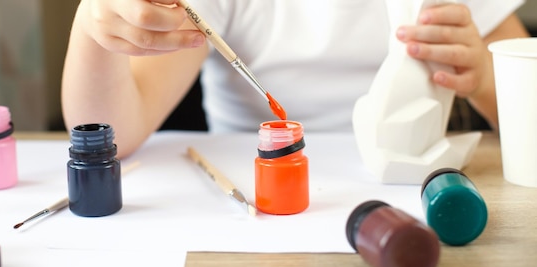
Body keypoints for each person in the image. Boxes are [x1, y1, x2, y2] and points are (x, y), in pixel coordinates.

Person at [62, 0, 529, 158]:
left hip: (410, 186)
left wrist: (485, 74)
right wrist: (92, 29)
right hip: (251, 194)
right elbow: (111, 136)